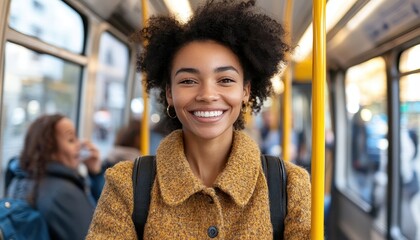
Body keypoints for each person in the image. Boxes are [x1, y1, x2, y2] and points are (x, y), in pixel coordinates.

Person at [87, 1, 311, 239]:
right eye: (188, 81)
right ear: (169, 93)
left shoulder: (289, 185)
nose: (207, 95)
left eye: (225, 80)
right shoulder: (126, 186)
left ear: (246, 91)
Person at [7, 114, 101, 240]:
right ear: (49, 149)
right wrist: (98, 176)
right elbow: (101, 232)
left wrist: (94, 173)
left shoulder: (18, 180)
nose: (79, 145)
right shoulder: (65, 194)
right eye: (71, 139)